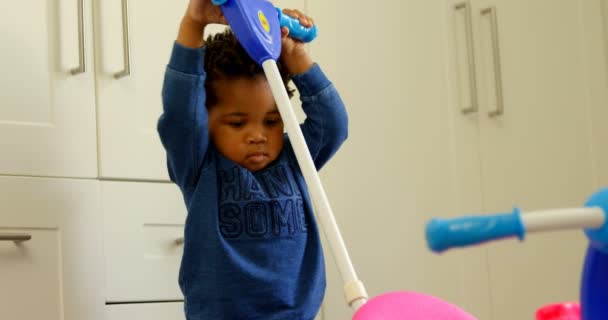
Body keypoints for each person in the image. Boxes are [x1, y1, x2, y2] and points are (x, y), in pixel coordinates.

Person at [157, 0, 348, 318]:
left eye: (272, 121)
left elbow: (333, 124)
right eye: (237, 123)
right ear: (205, 119)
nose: (258, 135)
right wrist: (193, 23)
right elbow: (180, 111)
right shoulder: (199, 164)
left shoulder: (295, 158)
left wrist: (295, 55)